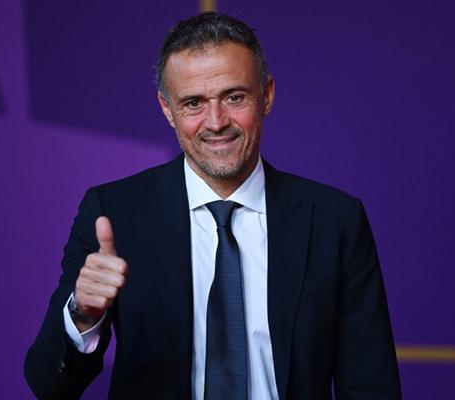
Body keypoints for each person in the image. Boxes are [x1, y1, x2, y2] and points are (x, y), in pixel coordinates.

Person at [24, 12, 401, 400]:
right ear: (167, 109)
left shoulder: (335, 220)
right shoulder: (113, 213)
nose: (216, 122)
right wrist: (84, 314)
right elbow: (48, 385)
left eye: (234, 97)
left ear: (267, 95)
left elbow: (371, 386)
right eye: (193, 103)